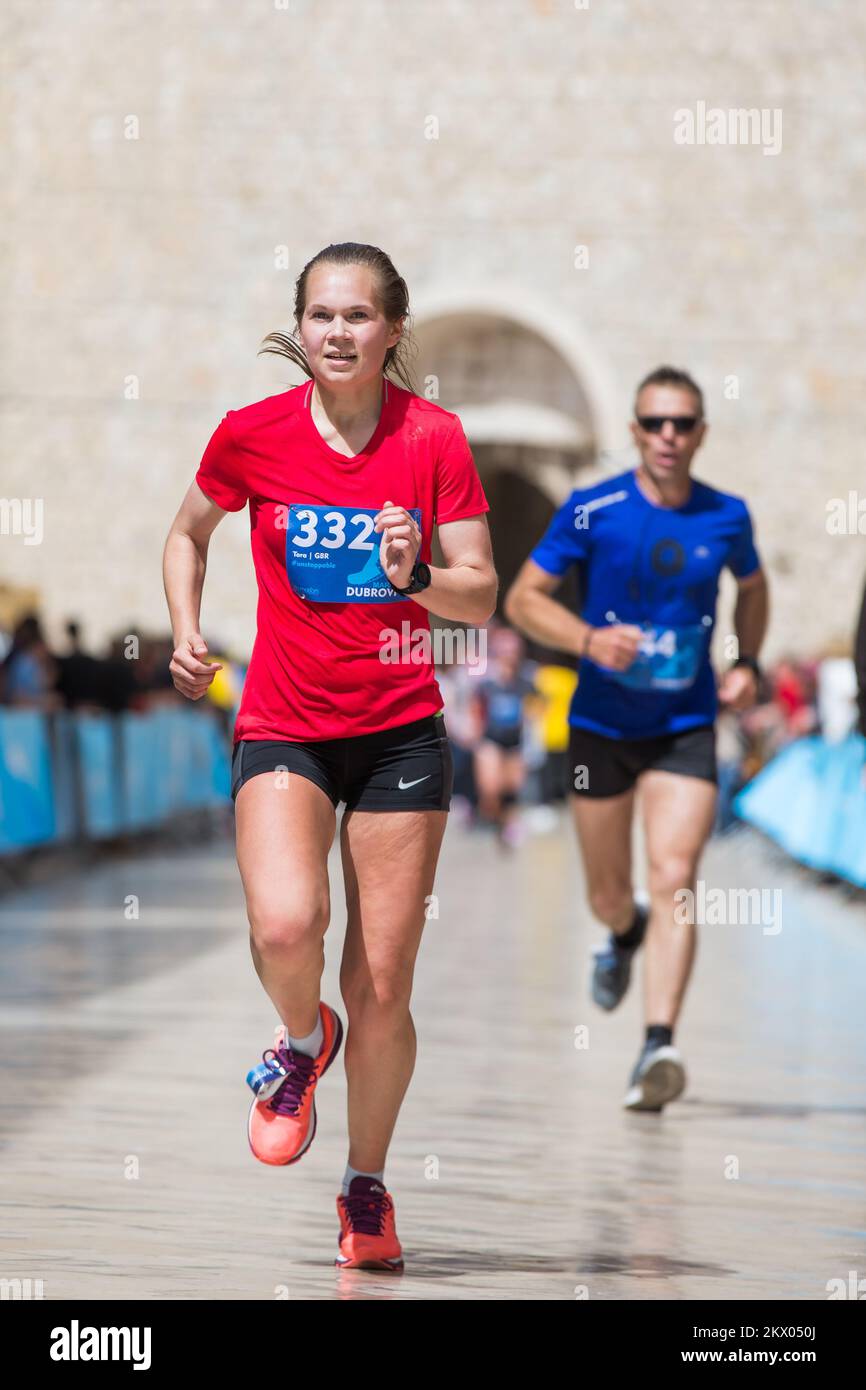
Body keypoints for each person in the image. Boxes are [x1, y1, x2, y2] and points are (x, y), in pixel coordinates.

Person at [163, 242, 496, 1269]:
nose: (339, 332)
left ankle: (364, 1188)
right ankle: (304, 1038)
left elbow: (476, 596)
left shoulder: (432, 438)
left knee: (384, 980)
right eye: (320, 315)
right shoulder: (251, 435)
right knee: (284, 921)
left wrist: (416, 573)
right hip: (285, 721)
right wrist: (184, 626)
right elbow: (187, 532)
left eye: (359, 316)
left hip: (400, 729)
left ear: (393, 330)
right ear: (298, 327)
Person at [505, 365, 768, 1111]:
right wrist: (589, 640)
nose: (669, 437)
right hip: (599, 730)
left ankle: (659, 1045)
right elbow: (524, 599)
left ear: (701, 434)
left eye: (683, 424)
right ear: (633, 431)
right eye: (655, 423)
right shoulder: (594, 509)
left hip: (685, 726)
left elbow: (753, 588)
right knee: (609, 892)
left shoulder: (728, 516)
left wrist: (745, 662)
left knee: (676, 873)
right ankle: (623, 936)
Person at [470, 626, 539, 848]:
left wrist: (532, 723)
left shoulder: (527, 679)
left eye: (512, 647)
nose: (509, 652)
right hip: (490, 739)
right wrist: (474, 734)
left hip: (516, 742)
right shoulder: (485, 679)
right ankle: (493, 819)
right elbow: (474, 706)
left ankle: (507, 825)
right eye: (504, 647)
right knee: (490, 787)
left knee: (512, 787)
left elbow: (539, 706)